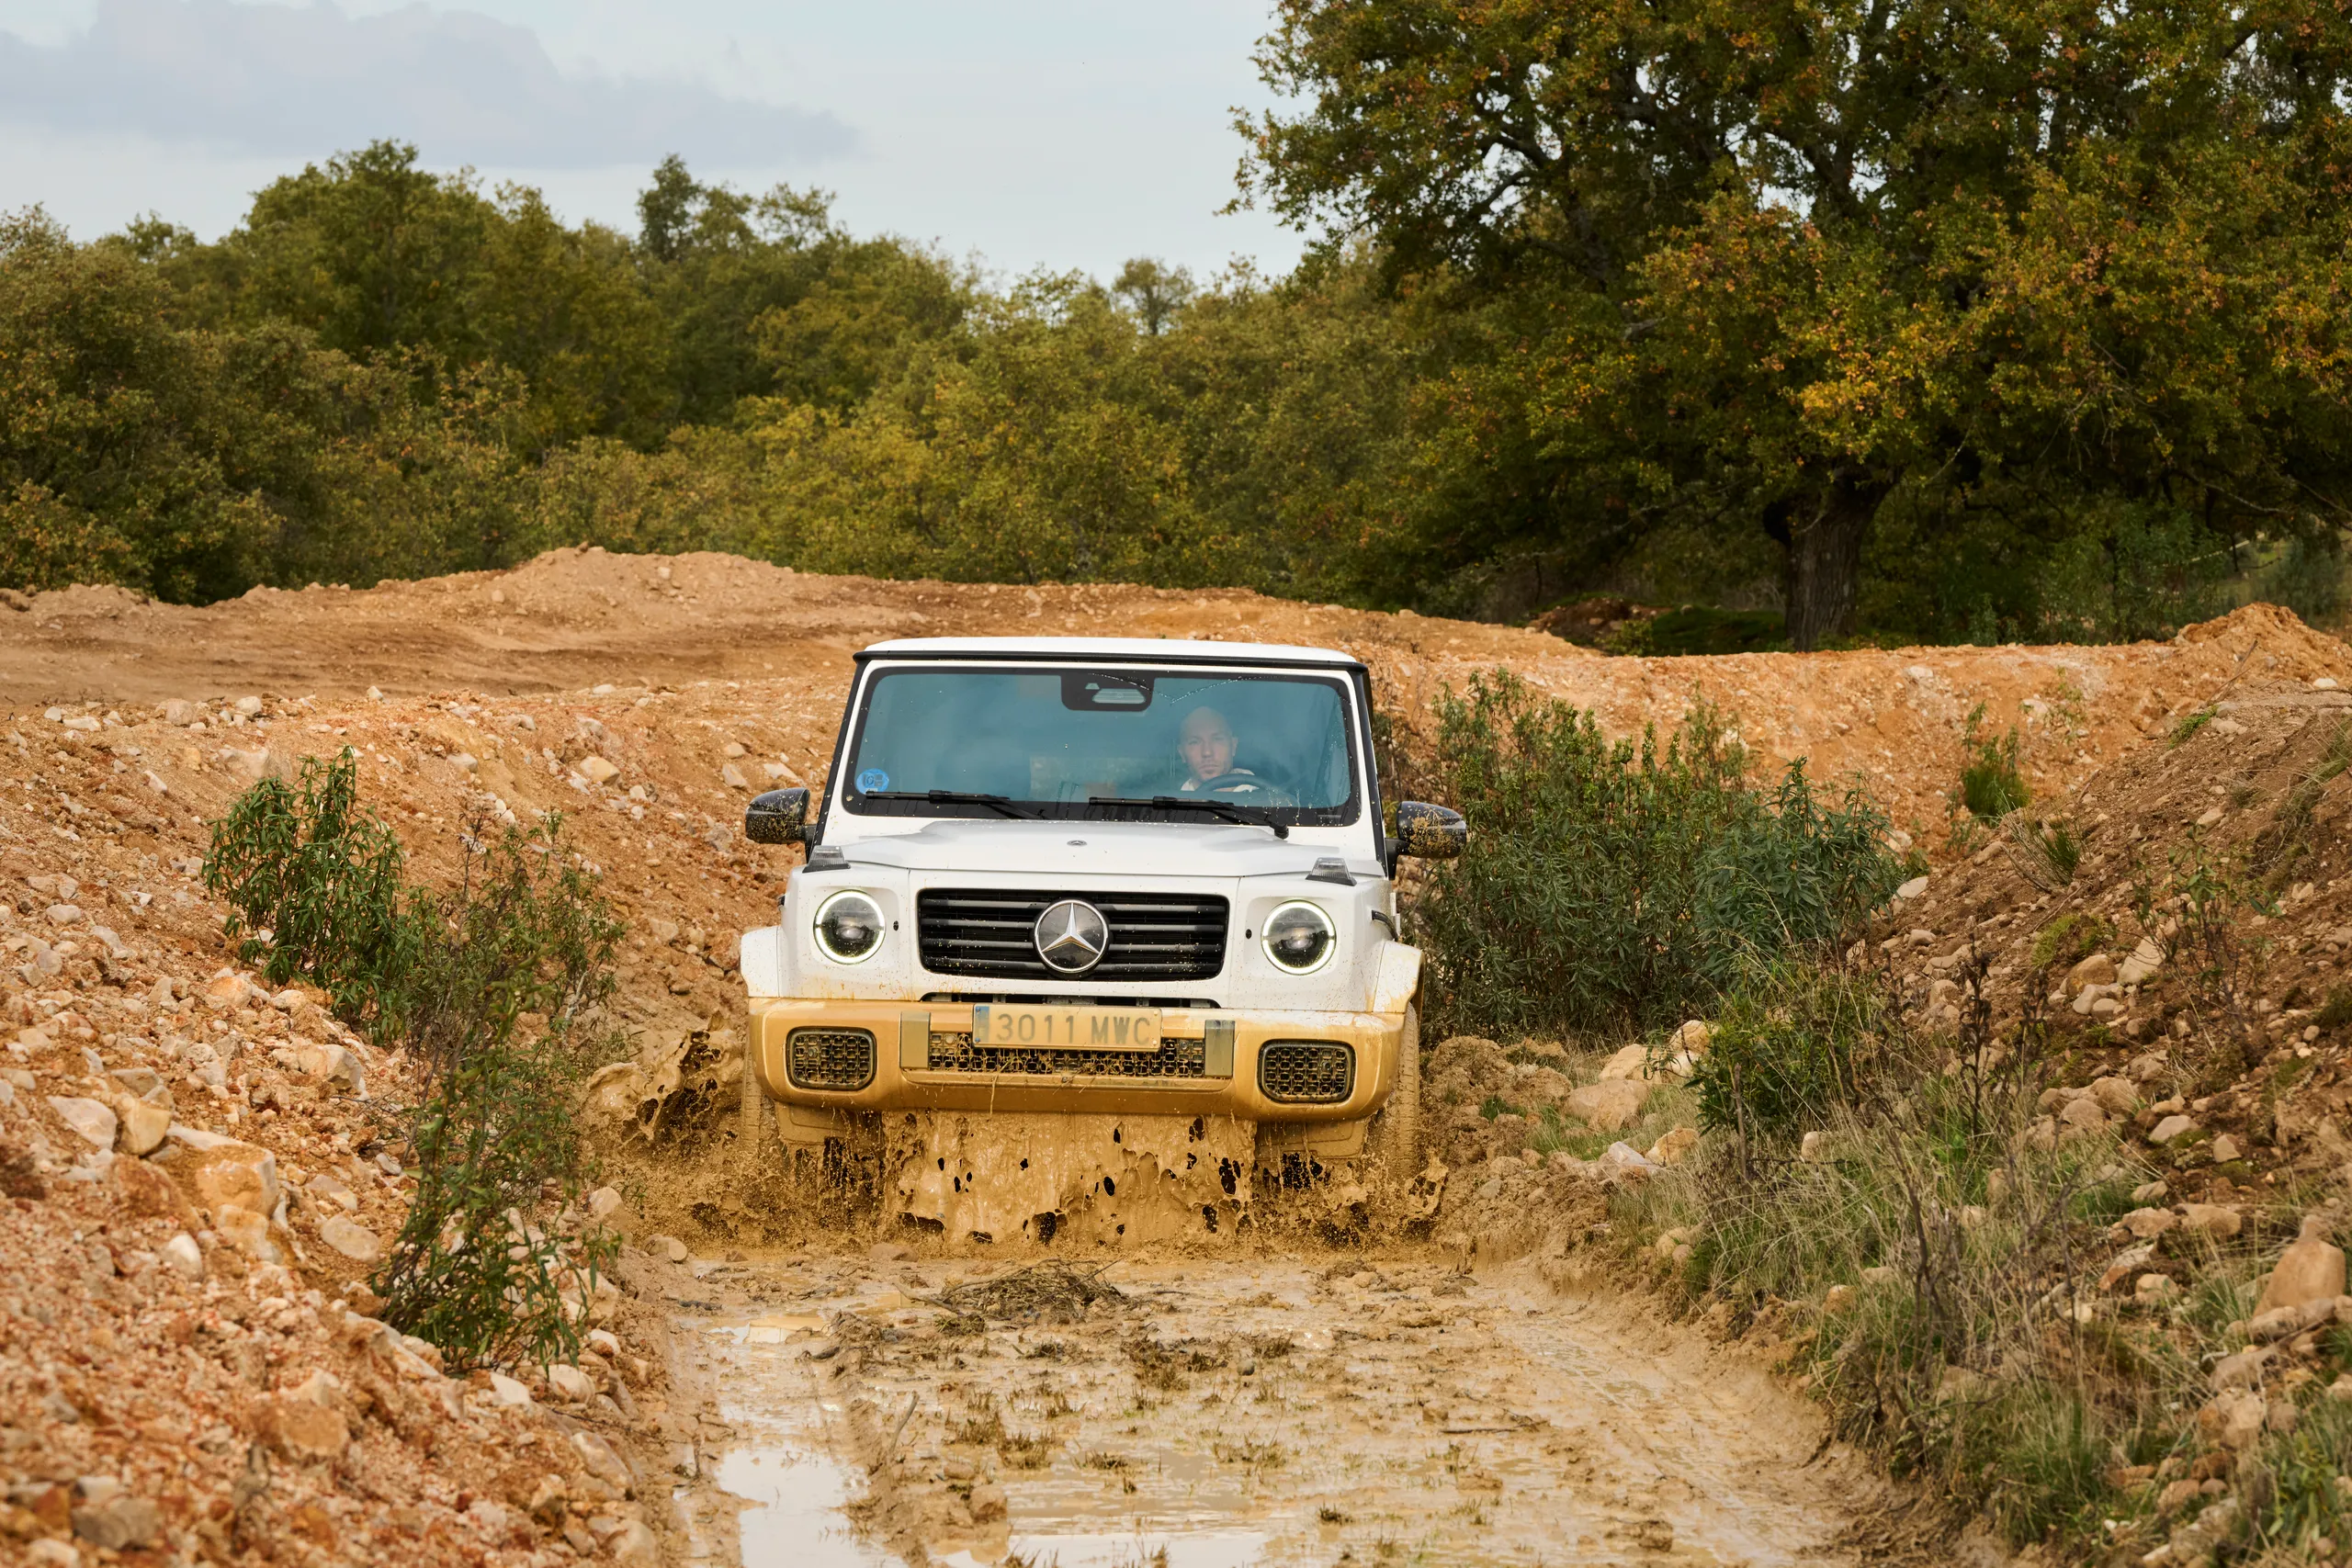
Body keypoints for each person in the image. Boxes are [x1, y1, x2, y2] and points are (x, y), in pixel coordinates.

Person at [1176, 706, 1288, 801]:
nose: (1207, 752)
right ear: (1182, 753)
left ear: (1233, 746)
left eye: (1217, 739)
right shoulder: (1171, 808)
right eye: (1194, 742)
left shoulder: (1271, 801)